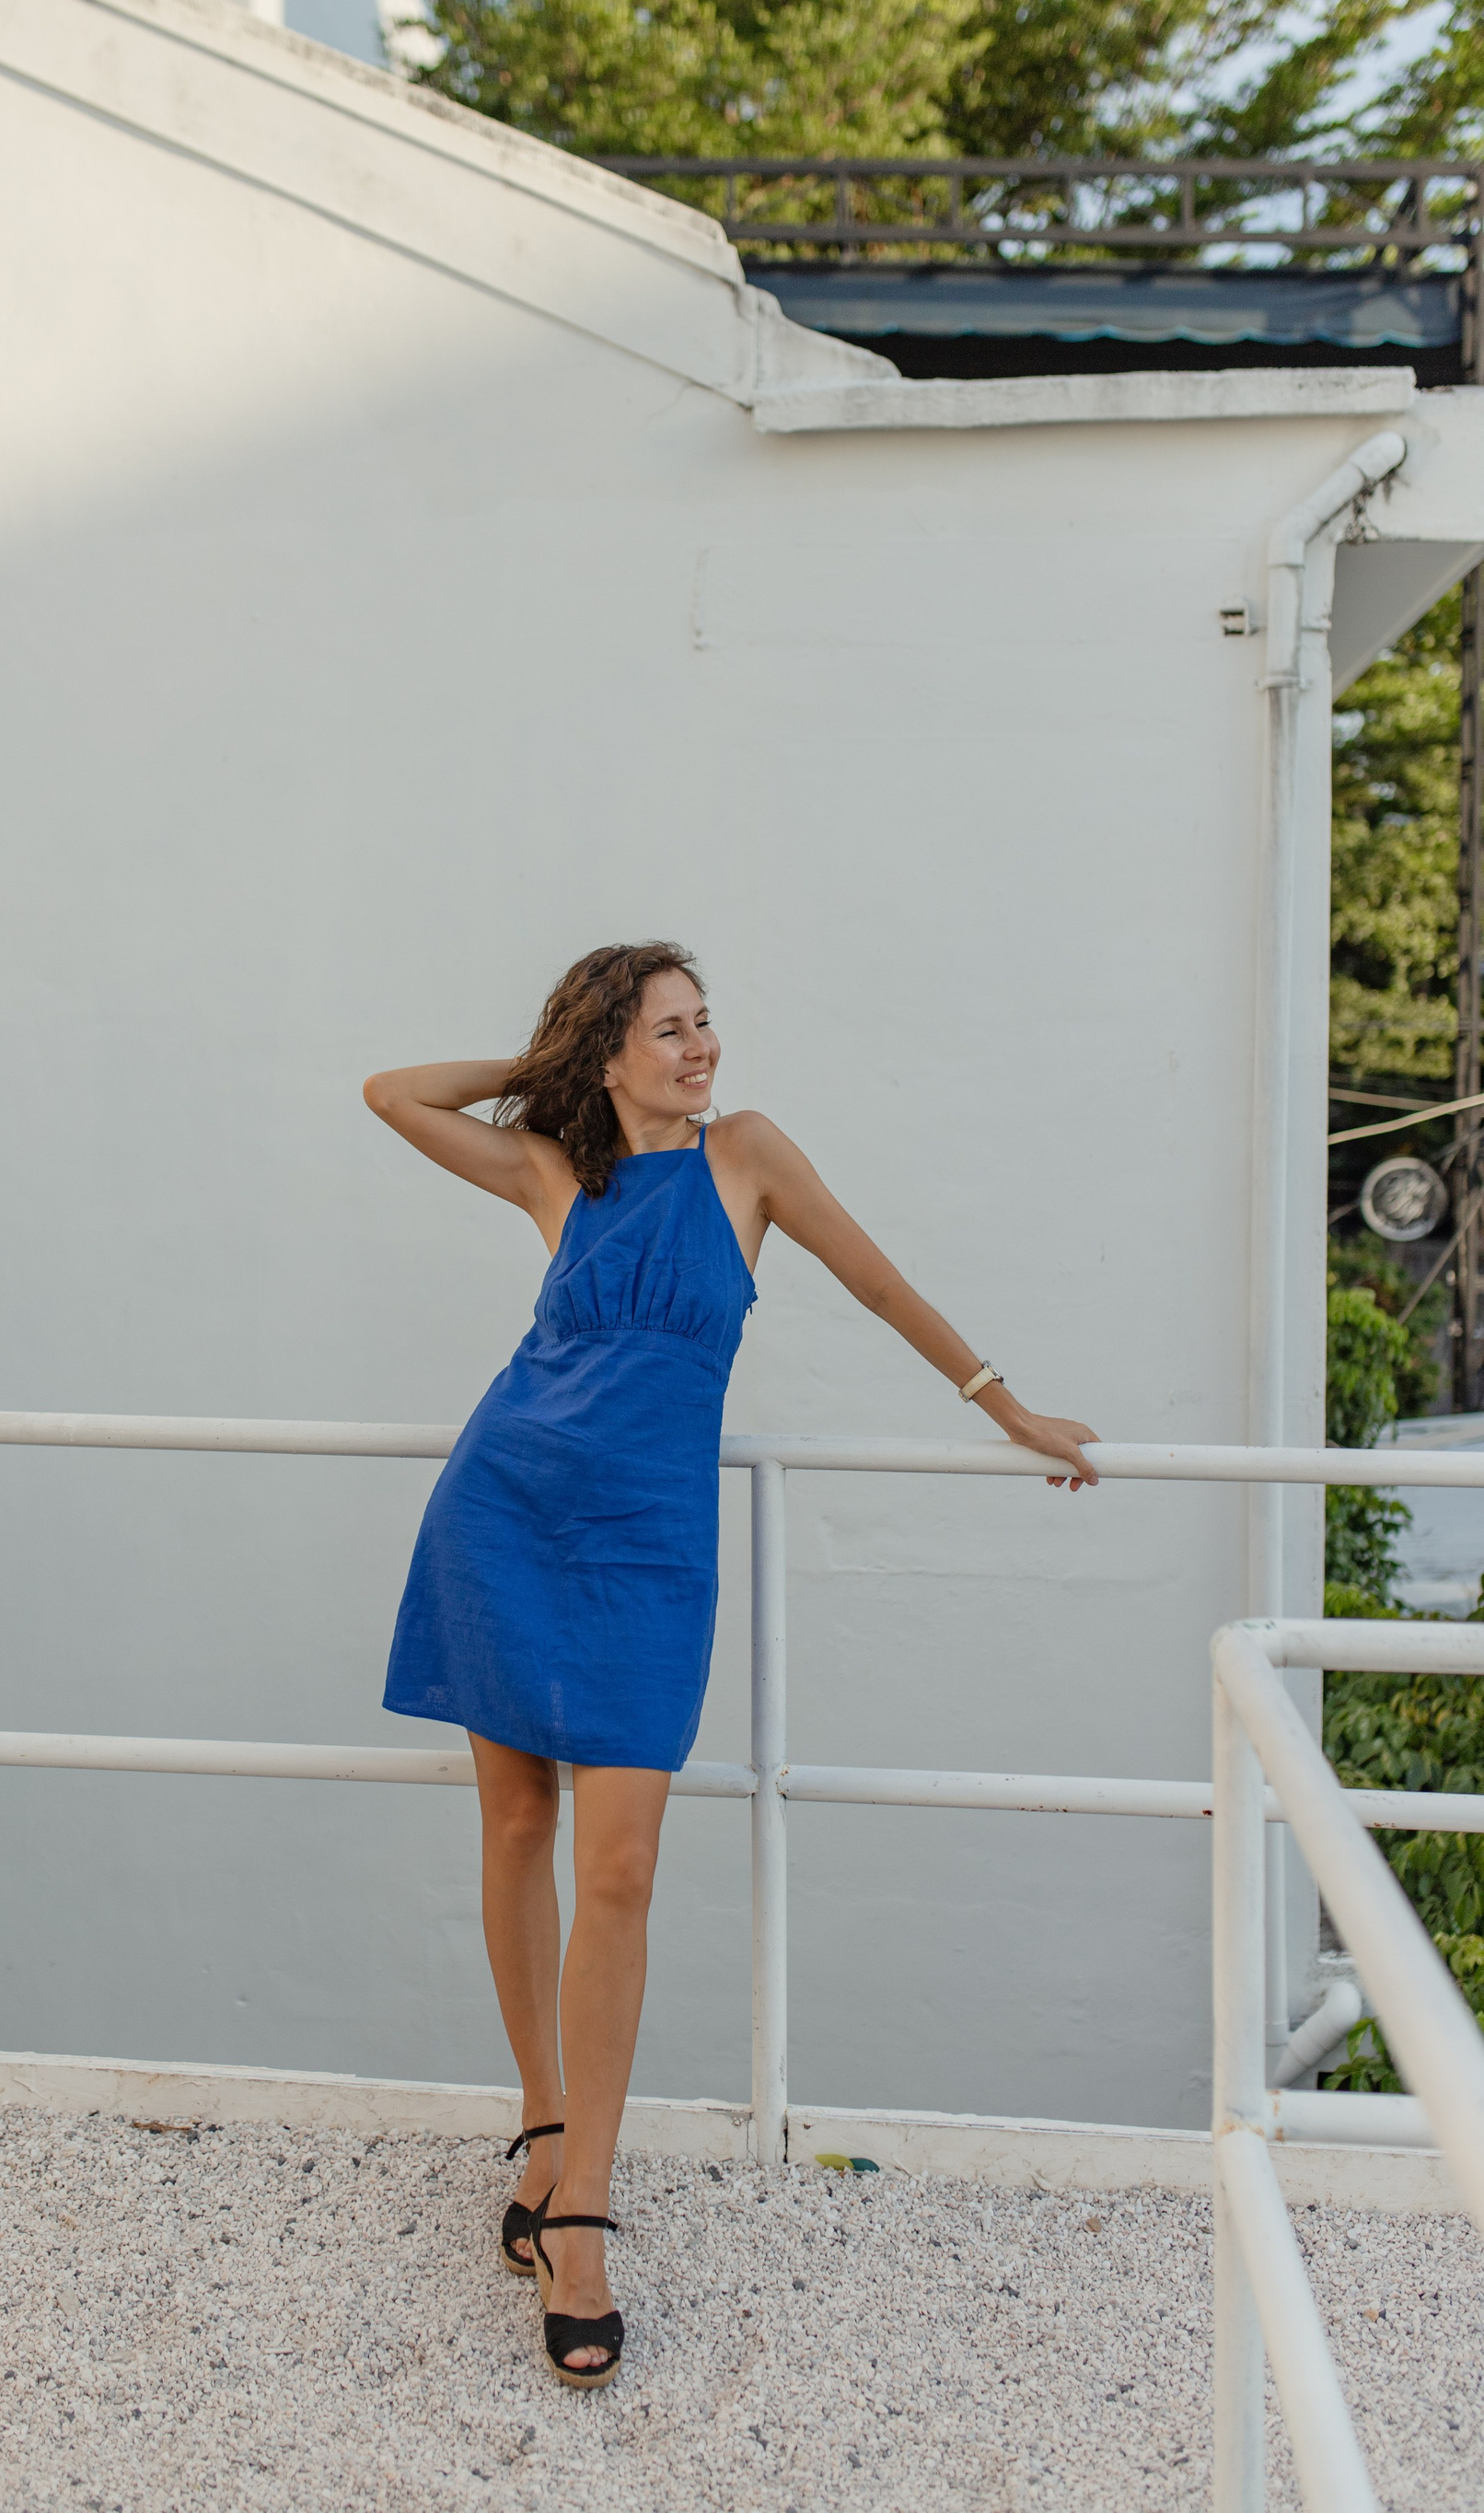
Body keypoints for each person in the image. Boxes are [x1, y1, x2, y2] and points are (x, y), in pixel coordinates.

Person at [364, 942, 1098, 2391]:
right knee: (515, 1827)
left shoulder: (746, 1158)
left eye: (706, 1024)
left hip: (647, 1547)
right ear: (610, 1054)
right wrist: (546, 1069)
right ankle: (545, 2136)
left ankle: (582, 2213)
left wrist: (1004, 1405)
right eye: (670, 1031)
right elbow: (393, 1094)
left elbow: (878, 1284)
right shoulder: (555, 1175)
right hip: (506, 1508)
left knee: (622, 1866)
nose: (703, 1049)